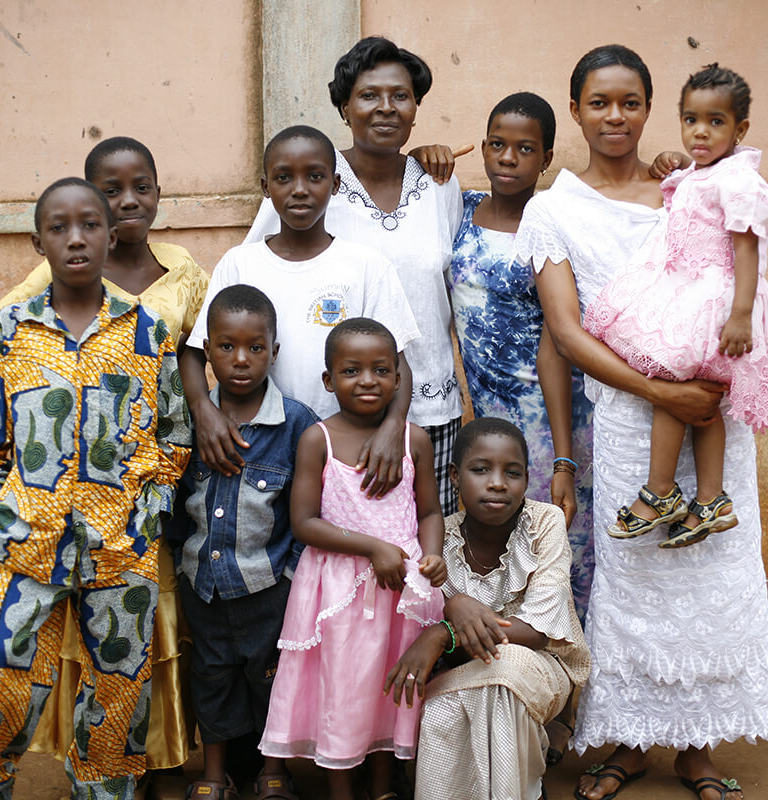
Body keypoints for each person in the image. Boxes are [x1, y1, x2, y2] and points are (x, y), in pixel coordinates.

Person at [515, 45, 768, 800]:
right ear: (575, 112)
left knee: (715, 571)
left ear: (651, 109)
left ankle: (698, 748)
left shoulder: (686, 187)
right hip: (634, 415)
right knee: (636, 578)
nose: (615, 116)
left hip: (714, 406)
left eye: (630, 102)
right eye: (599, 102)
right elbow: (566, 333)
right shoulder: (552, 209)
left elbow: (737, 265)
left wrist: (701, 388)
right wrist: (662, 395)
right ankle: (628, 740)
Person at [0, 138, 208, 775]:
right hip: (28, 547)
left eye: (90, 224)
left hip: (121, 548)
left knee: (118, 697)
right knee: (3, 688)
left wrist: (145, 514)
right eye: (59, 228)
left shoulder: (145, 331)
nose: (77, 239)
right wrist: (0, 512)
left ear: (107, 231)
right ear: (39, 244)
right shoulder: (13, 330)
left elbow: (173, 434)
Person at [244, 36, 464, 516]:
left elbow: (448, 288)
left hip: (426, 405)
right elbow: (256, 280)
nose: (385, 108)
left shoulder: (439, 185)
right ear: (344, 107)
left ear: (415, 108)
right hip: (323, 411)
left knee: (420, 550)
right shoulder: (311, 177)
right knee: (327, 554)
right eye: (368, 96)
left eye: (400, 96)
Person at [585, 64, 768, 549]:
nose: (701, 131)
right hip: (687, 291)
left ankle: (660, 491)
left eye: (716, 122)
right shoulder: (702, 173)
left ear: (739, 130)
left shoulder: (737, 181)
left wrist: (739, 315)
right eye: (691, 119)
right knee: (701, 397)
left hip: (716, 300)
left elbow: (746, 251)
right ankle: (711, 499)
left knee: (674, 386)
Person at [259, 318, 447, 800]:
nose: (367, 380)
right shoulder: (317, 439)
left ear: (398, 378)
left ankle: (383, 786)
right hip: (337, 592)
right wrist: (372, 548)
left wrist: (431, 555)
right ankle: (341, 789)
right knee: (343, 688)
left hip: (400, 593)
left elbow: (428, 511)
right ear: (329, 380)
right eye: (351, 370)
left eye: (381, 369)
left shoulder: (415, 441)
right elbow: (304, 522)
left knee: (392, 686)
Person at [385, 418, 590, 800]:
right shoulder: (438, 539)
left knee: (505, 673)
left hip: (540, 667)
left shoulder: (544, 524)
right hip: (464, 673)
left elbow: (535, 632)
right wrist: (450, 608)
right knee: (447, 709)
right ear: (454, 476)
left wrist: (444, 631)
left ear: (527, 479)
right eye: (480, 469)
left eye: (512, 472)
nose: (497, 482)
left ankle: (520, 790)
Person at [166, 285, 318, 800]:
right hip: (202, 586)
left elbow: (310, 512)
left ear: (274, 352)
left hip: (268, 588)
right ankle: (214, 774)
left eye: (256, 347)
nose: (241, 360)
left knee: (271, 679)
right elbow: (176, 504)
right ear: (206, 351)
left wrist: (293, 578)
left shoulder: (296, 424)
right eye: (226, 346)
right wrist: (182, 564)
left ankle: (272, 771)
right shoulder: (191, 422)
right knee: (211, 677)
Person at [446, 91, 595, 615]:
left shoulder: (550, 223)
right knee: (502, 552)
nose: (507, 158)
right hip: (489, 417)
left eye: (525, 148)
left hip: (549, 415)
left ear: (547, 158)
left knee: (560, 547)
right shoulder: (458, 210)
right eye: (496, 144)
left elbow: (559, 340)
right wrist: (423, 158)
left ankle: (567, 678)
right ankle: (512, 679)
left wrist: (563, 458)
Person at [180, 125, 420, 439]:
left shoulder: (366, 266)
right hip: (258, 444)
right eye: (283, 178)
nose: (300, 189)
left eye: (315, 176)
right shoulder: (239, 264)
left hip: (343, 447)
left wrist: (392, 429)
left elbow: (398, 364)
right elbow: (195, 352)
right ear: (266, 187)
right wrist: (203, 409)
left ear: (335, 185)